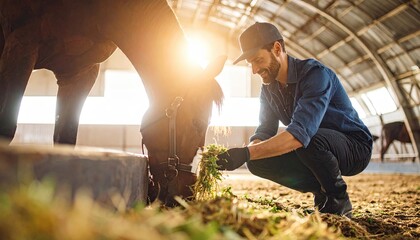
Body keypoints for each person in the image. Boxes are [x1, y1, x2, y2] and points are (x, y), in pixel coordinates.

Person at [217, 22, 373, 218]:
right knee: (257, 163)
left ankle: (338, 199)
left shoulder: (315, 74)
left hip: (354, 147)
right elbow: (265, 130)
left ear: (277, 48)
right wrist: (247, 152)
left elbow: (300, 134)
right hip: (313, 146)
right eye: (251, 64)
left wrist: (246, 153)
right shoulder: (268, 89)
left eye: (258, 60)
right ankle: (322, 193)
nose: (254, 70)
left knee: (308, 140)